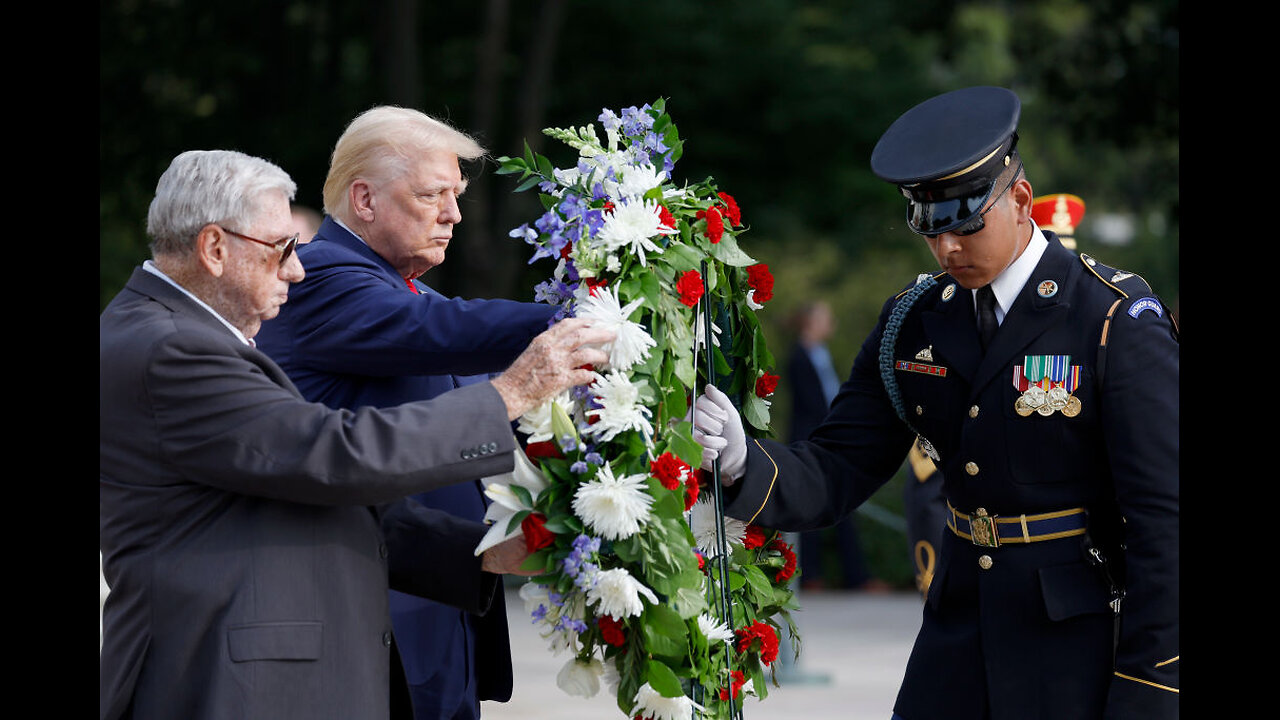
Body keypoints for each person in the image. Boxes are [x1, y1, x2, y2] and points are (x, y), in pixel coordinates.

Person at [688, 86, 1178, 719]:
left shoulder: (1110, 318)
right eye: (931, 229)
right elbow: (840, 462)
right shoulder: (913, 322)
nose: (948, 249)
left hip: (1075, 642)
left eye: (966, 223)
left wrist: (1152, 688)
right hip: (957, 633)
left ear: (1020, 200)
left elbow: (1162, 522)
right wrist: (740, 462)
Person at [100, 148, 613, 720]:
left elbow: (296, 493)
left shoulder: (178, 335)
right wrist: (510, 394)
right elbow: (331, 455)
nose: (297, 269)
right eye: (284, 249)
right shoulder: (171, 347)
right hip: (218, 685)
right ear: (215, 248)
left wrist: (480, 557)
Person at [254, 106, 559, 720]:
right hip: (372, 631)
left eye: (457, 195)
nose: (453, 214)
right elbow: (447, 328)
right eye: (433, 194)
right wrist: (587, 316)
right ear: (364, 200)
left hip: (439, 615)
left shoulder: (400, 287)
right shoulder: (321, 278)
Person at [786, 300, 884, 593]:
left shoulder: (821, 353)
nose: (831, 323)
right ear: (811, 322)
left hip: (829, 434)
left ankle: (856, 576)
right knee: (810, 509)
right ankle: (811, 575)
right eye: (825, 318)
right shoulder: (799, 357)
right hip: (812, 438)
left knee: (844, 507)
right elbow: (811, 404)